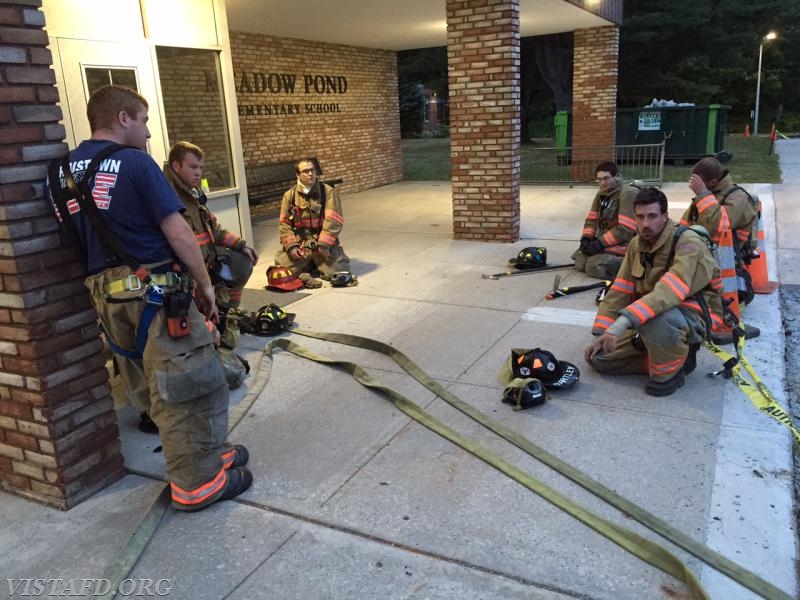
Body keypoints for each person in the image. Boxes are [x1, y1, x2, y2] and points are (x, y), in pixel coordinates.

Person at [46, 85, 252, 511]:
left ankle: (208, 454)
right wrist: (205, 286)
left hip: (107, 302)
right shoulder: (134, 163)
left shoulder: (60, 174)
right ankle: (198, 483)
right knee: (192, 386)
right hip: (157, 297)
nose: (147, 133)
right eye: (143, 121)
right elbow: (178, 232)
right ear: (123, 118)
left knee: (151, 387)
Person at [584, 188, 723, 397]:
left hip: (692, 313)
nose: (645, 224)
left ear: (665, 216)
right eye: (640, 217)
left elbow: (669, 291)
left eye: (652, 216)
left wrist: (621, 325)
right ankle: (663, 352)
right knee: (599, 359)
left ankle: (671, 372)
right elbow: (620, 290)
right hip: (651, 313)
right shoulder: (636, 244)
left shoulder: (688, 243)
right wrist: (603, 333)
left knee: (657, 320)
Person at [163, 141, 259, 349]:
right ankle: (208, 323)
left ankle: (227, 310)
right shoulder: (168, 196)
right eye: (193, 167)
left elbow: (214, 228)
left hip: (206, 265)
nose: (198, 173)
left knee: (242, 261)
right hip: (186, 273)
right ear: (176, 166)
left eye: (201, 168)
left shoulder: (192, 194)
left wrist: (242, 245)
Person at [275, 158, 351, 288]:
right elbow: (284, 224)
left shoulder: (328, 192)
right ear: (298, 175)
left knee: (340, 272)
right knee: (282, 271)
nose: (310, 173)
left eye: (312, 170)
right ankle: (307, 271)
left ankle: (313, 265)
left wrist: (324, 244)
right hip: (301, 245)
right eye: (306, 171)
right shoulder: (289, 195)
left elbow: (334, 220)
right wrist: (292, 246)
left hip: (323, 245)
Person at [572, 161, 638, 280]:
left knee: (593, 266)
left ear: (616, 176)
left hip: (624, 245)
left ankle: (631, 265)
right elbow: (591, 219)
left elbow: (625, 229)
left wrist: (600, 243)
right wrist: (586, 239)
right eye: (599, 179)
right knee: (580, 261)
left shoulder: (628, 194)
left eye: (606, 178)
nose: (602, 183)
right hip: (606, 243)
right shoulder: (601, 193)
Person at [680, 157, 757, 256]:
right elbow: (686, 222)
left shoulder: (737, 198)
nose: (695, 187)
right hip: (702, 253)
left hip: (727, 259)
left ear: (713, 182)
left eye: (699, 183)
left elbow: (717, 226)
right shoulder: (707, 195)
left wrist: (703, 194)